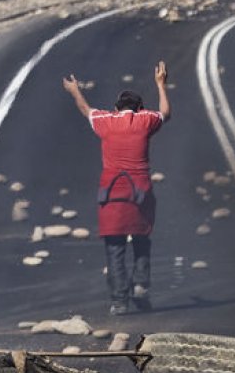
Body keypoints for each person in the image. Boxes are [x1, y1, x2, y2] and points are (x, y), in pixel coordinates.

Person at [62, 62, 171, 315]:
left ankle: (120, 301)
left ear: (116, 109)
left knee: (115, 247)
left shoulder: (106, 121)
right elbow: (165, 112)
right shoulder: (145, 120)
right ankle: (142, 284)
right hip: (141, 193)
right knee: (142, 238)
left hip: (111, 194)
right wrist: (161, 85)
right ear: (140, 108)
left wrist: (75, 91)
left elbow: (85, 109)